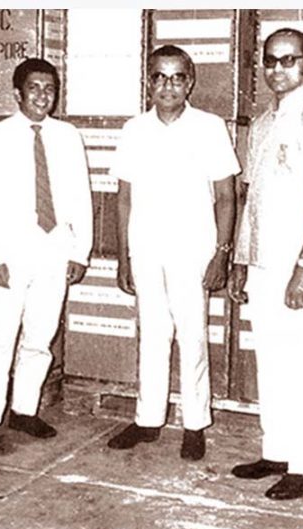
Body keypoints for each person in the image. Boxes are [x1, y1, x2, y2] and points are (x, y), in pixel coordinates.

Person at [107, 45, 241, 461]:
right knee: (152, 334)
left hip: (193, 250)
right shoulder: (134, 130)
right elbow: (123, 198)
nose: (168, 85)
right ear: (148, 82)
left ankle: (195, 423)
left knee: (192, 335)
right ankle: (148, 420)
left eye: (177, 77)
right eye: (159, 77)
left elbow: (226, 197)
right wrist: (124, 257)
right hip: (146, 248)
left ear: (190, 82)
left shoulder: (210, 127)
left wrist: (221, 253)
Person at [228, 28, 303, 499]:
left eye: (288, 60)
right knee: (271, 361)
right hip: (262, 262)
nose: (277, 69)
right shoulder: (262, 124)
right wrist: (240, 261)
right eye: (270, 60)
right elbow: (252, 198)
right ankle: (276, 450)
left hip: (299, 265)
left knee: (297, 363)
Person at [0, 57, 92, 452]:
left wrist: (80, 252)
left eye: (49, 89)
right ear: (18, 94)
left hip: (54, 249)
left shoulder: (67, 136)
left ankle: (24, 411)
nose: (42, 96)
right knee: (0, 340)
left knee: (40, 338)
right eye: (34, 88)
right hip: (12, 252)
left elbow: (81, 196)